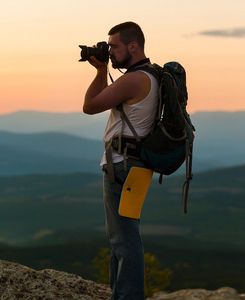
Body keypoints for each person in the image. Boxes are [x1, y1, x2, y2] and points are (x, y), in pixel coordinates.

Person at [83, 21, 159, 300]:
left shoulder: (134, 79)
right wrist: (105, 68)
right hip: (137, 165)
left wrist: (101, 71)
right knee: (122, 239)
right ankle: (121, 295)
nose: (110, 51)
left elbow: (90, 106)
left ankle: (128, 297)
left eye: (114, 46)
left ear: (133, 46)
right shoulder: (152, 75)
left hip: (122, 165)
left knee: (124, 240)